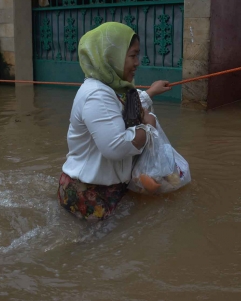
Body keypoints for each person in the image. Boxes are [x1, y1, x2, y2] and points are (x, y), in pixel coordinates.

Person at [57, 22, 171, 221]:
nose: (138, 62)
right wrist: (149, 127)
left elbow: (121, 109)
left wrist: (151, 92)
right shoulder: (96, 94)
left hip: (108, 190)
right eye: (133, 55)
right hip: (88, 196)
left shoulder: (114, 89)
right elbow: (116, 146)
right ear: (113, 56)